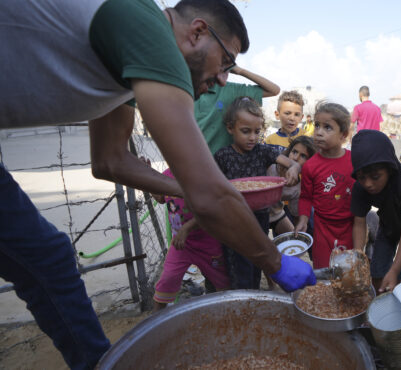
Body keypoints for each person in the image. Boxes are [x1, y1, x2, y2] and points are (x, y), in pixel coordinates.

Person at [0, 1, 315, 367]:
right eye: (225, 62)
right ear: (197, 31)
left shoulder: (126, 62)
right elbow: (210, 196)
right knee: (47, 259)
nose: (224, 79)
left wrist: (187, 191)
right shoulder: (150, 31)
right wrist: (274, 261)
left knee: (48, 259)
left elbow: (110, 161)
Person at [214, 97, 301, 289]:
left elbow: (292, 163)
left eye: (256, 131)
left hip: (260, 219)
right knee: (238, 270)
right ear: (230, 128)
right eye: (246, 132)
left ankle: (253, 298)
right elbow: (214, 187)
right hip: (233, 222)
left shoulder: (263, 152)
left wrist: (294, 169)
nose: (252, 137)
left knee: (256, 265)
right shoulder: (223, 156)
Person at [350, 130, 401, 293]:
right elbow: (359, 224)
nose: (368, 184)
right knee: (378, 272)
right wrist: (358, 255)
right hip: (387, 228)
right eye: (361, 177)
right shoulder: (360, 187)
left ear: (389, 168)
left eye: (375, 177)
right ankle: (379, 297)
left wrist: (394, 270)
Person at [151, 169, 230, 310]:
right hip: (181, 245)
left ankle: (226, 315)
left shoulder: (200, 173)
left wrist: (187, 228)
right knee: (167, 279)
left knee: (223, 283)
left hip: (208, 242)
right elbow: (160, 198)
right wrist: (149, 180)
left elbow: (211, 208)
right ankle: (155, 322)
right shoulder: (166, 175)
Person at [295, 102, 355, 268]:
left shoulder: (355, 161)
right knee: (323, 273)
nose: (319, 132)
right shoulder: (310, 166)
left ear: (343, 135)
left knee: (347, 273)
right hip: (322, 230)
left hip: (350, 228)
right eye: (317, 126)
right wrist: (303, 219)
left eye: (327, 127)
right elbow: (306, 197)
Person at [195, 66, 280, 155]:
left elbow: (273, 90)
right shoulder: (185, 90)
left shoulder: (229, 89)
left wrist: (240, 71)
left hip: (222, 165)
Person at [267, 135, 316, 236]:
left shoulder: (298, 188)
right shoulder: (271, 168)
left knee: (292, 240)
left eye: (303, 156)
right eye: (294, 152)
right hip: (256, 212)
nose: (296, 158)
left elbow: (296, 216)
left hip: (276, 214)